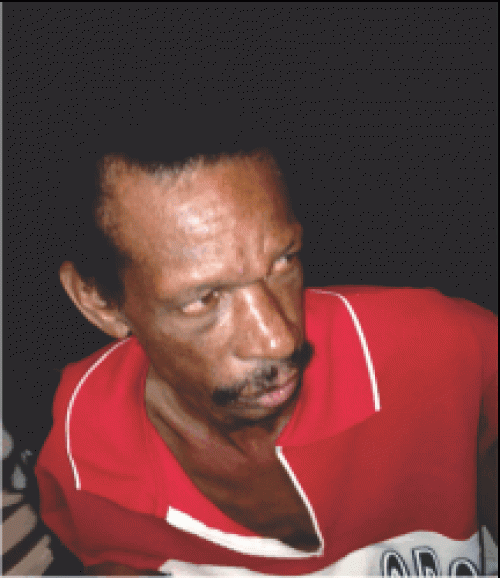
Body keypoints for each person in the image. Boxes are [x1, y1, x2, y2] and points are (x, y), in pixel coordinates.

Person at [35, 138, 497, 576]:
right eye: (204, 298)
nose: (278, 340)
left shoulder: (442, 349)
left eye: (282, 260)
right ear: (99, 301)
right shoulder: (82, 449)